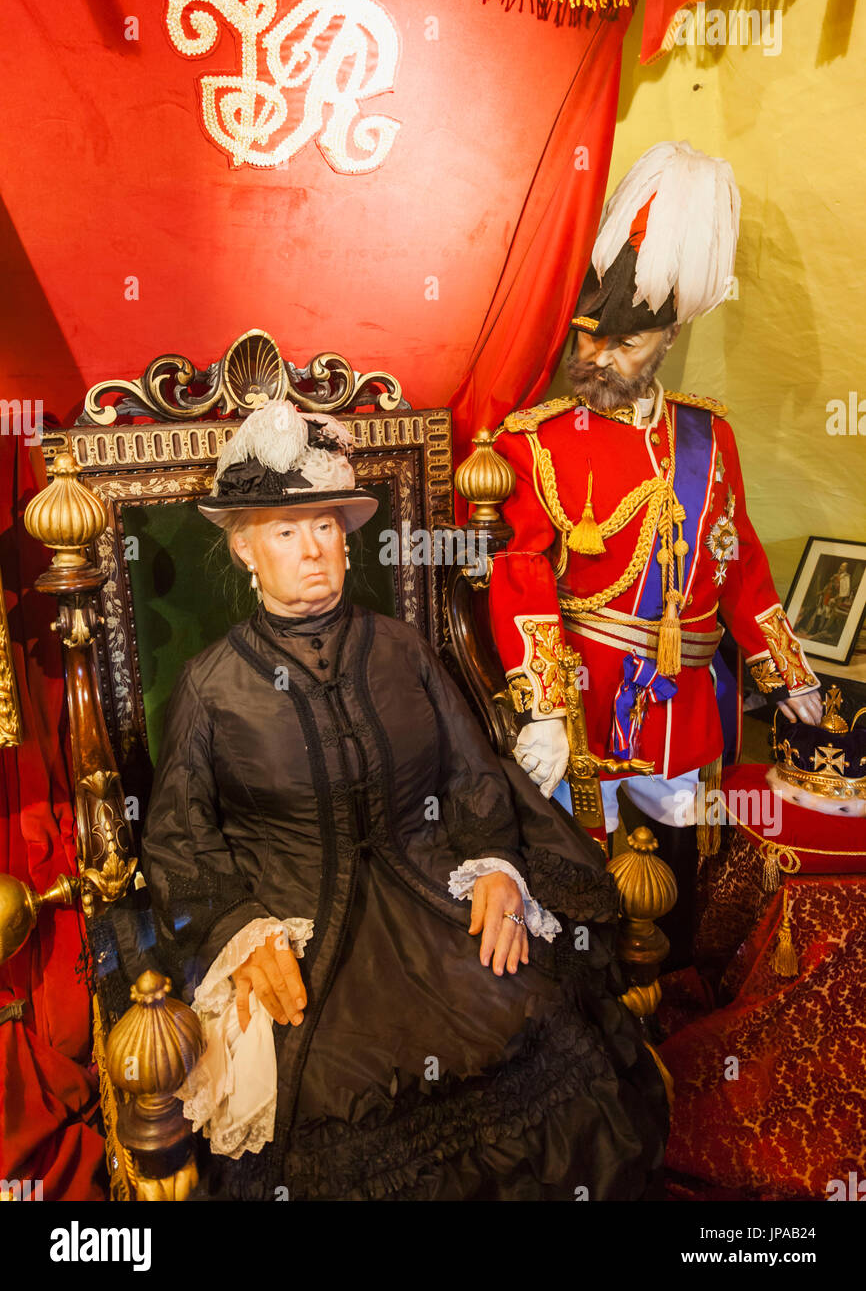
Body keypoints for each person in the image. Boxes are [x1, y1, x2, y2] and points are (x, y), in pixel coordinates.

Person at [141, 400, 668, 1201]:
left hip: (438, 900)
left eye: (325, 527)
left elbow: (473, 772)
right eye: (286, 532)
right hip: (301, 934)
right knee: (339, 1092)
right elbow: (179, 836)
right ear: (245, 549)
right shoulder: (210, 686)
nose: (313, 552)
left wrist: (496, 867)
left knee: (525, 1016)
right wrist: (240, 933)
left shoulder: (403, 648)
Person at [487, 142, 823, 969]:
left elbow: (735, 558)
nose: (597, 359)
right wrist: (539, 703)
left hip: (692, 707)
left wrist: (788, 671)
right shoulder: (535, 444)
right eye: (590, 337)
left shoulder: (711, 435)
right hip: (590, 701)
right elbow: (522, 573)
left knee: (678, 879)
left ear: (668, 335)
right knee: (589, 894)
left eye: (624, 345)